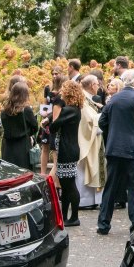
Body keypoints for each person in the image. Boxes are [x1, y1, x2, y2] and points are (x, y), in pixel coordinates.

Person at [97, 70, 134, 235]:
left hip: (114, 148)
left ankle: (103, 224)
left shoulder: (113, 99)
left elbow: (102, 122)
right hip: (133, 149)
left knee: (111, 187)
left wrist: (112, 135)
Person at [50, 80, 84, 226]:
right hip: (70, 149)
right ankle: (65, 215)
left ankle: (74, 217)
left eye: (64, 90)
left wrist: (49, 121)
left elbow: (54, 126)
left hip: (67, 150)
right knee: (66, 184)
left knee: (69, 185)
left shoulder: (69, 110)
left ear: (68, 92)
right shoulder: (75, 109)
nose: (61, 93)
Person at [77, 74, 105, 209]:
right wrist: (104, 116)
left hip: (94, 140)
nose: (98, 87)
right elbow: (88, 121)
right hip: (86, 140)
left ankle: (91, 200)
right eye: (97, 84)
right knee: (84, 168)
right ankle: (85, 201)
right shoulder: (82, 99)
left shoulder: (88, 99)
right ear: (91, 85)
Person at [0, 80, 38, 169]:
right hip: (23, 147)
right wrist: (28, 133)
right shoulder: (26, 110)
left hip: (8, 148)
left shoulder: (4, 111)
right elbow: (35, 127)